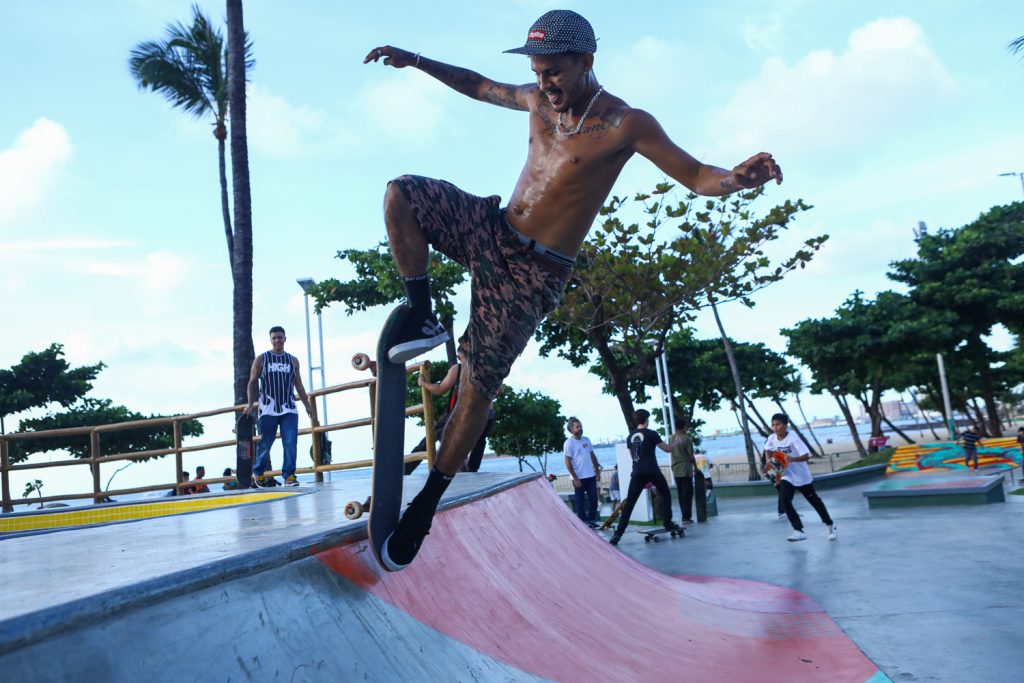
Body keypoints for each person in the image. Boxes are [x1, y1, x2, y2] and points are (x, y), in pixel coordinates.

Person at [365, 9, 783, 571]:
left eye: (555, 73)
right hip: (492, 229)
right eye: (538, 73)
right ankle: (423, 314)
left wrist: (737, 179)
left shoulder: (625, 124)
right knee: (402, 193)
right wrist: (416, 60)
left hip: (532, 274)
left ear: (586, 62)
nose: (544, 85)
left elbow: (698, 175)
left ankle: (427, 504)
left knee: (479, 390)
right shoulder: (537, 101)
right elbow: (477, 85)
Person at [242, 326, 317, 487]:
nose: (277, 340)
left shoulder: (293, 360)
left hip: (289, 408)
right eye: (274, 338)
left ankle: (289, 476)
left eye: (280, 337)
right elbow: (252, 382)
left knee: (290, 442)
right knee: (266, 442)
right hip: (267, 409)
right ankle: (258, 471)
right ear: (270, 340)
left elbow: (299, 386)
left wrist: (307, 406)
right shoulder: (262, 359)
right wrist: (250, 405)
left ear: (285, 338)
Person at [762, 413, 837, 542]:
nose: (775, 427)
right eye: (773, 425)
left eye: (778, 424)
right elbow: (767, 449)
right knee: (785, 500)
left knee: (814, 501)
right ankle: (798, 530)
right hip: (787, 475)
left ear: (785, 426)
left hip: (802, 476)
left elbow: (806, 456)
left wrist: (792, 459)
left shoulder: (793, 438)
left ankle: (830, 524)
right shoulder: (771, 438)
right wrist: (769, 461)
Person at [610, 409, 680, 545]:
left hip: (637, 472)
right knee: (665, 493)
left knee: (629, 503)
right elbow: (668, 449)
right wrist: (677, 442)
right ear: (646, 419)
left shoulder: (630, 437)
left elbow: (633, 457)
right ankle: (668, 522)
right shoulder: (651, 434)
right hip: (652, 471)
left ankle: (618, 534)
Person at [417, 354, 495, 473]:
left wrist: (423, 383)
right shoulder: (486, 368)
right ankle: (472, 471)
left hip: (465, 413)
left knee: (435, 439)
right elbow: (499, 390)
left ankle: (406, 469)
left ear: (460, 356)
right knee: (479, 442)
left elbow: (440, 389)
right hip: (487, 413)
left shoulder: (458, 368)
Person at [563, 417, 601, 527]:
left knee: (594, 499)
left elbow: (592, 456)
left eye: (581, 426)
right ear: (571, 429)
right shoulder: (568, 443)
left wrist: (597, 471)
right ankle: (583, 523)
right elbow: (568, 462)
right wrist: (575, 478)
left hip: (590, 476)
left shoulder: (586, 440)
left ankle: (592, 520)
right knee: (580, 502)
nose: (580, 428)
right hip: (578, 478)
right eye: (577, 427)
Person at [669, 416, 696, 524]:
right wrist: (696, 467)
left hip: (675, 468)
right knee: (687, 493)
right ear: (683, 427)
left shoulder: (671, 438)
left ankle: (683, 515)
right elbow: (690, 456)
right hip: (686, 469)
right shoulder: (687, 439)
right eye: (686, 426)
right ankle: (686, 517)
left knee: (680, 493)